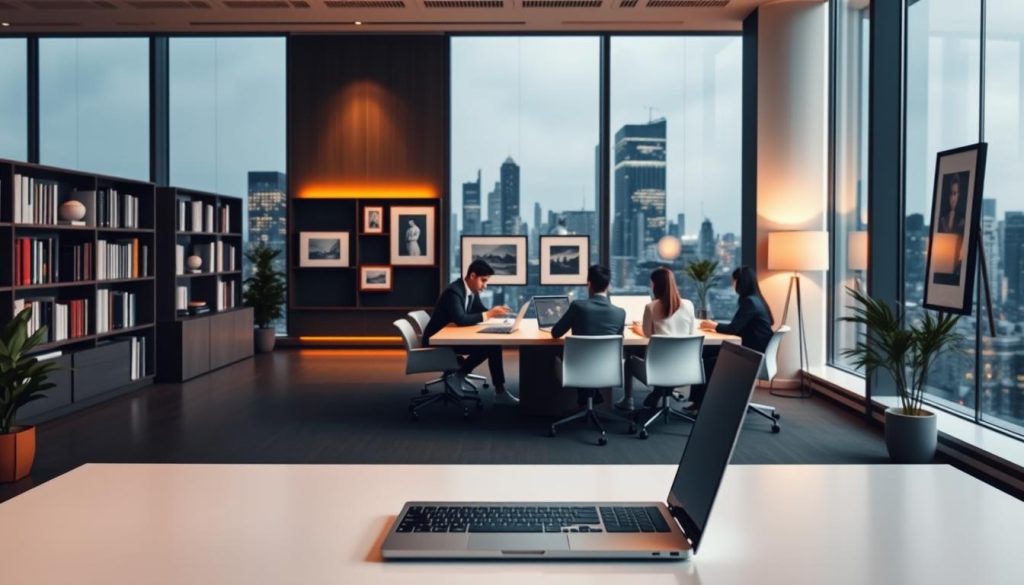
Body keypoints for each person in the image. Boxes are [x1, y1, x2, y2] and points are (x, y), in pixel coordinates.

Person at [422, 259, 518, 405]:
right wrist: (490, 314)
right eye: (483, 281)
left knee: (493, 345)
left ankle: (498, 390)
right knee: (491, 346)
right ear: (472, 276)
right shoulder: (453, 291)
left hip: (450, 338)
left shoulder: (471, 291)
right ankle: (460, 376)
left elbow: (480, 311)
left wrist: (497, 314)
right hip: (438, 343)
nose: (485, 286)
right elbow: (461, 319)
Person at [616, 267, 697, 412]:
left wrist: (636, 329)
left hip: (657, 369)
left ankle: (628, 400)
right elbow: (691, 333)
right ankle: (661, 391)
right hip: (684, 367)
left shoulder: (651, 307)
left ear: (655, 285)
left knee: (630, 360)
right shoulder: (689, 305)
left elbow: (647, 334)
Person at [692, 265, 774, 409]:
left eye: (734, 281)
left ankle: (699, 403)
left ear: (741, 282)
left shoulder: (749, 302)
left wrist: (713, 326)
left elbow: (733, 329)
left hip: (750, 354)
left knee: (704, 357)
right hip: (756, 350)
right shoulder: (757, 299)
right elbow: (740, 326)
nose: (732, 284)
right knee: (706, 353)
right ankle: (699, 402)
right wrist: (715, 326)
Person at [550, 264, 625, 405]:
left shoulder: (578, 306)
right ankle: (593, 393)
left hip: (577, 369)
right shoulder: (620, 313)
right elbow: (619, 343)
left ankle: (586, 395)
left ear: (589, 284)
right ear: (608, 285)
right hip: (607, 370)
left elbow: (555, 333)